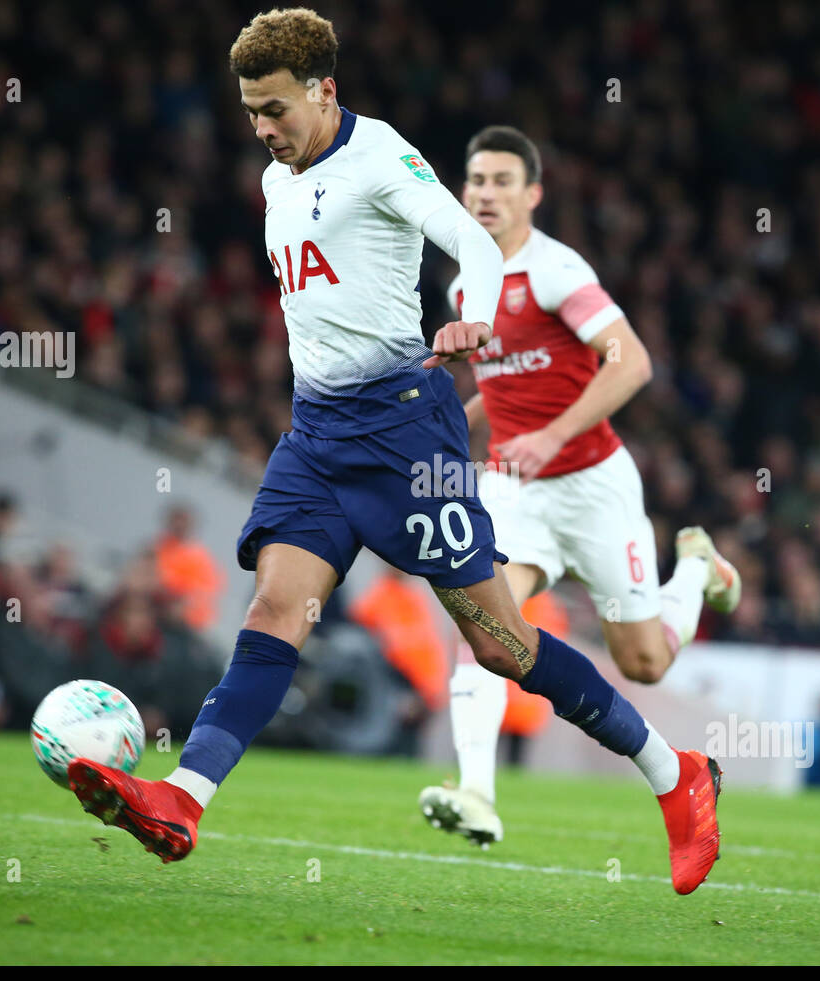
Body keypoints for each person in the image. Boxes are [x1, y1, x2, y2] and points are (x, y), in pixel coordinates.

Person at [67, 7, 720, 895]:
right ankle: (183, 797)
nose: (263, 129)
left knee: (502, 645)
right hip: (316, 436)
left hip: (406, 434)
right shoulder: (275, 179)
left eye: (276, 110)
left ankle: (676, 777)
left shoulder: (379, 156)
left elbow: (471, 244)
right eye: (251, 112)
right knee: (274, 611)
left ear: (324, 91)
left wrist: (474, 317)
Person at [417, 126, 741, 845]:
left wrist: (551, 436)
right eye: (477, 180)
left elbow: (632, 362)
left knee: (644, 663)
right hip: (515, 491)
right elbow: (503, 383)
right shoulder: (466, 284)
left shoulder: (557, 271)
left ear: (533, 194)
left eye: (503, 181)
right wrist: (450, 426)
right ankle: (475, 793)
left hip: (594, 488)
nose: (486, 194)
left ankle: (696, 569)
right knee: (484, 618)